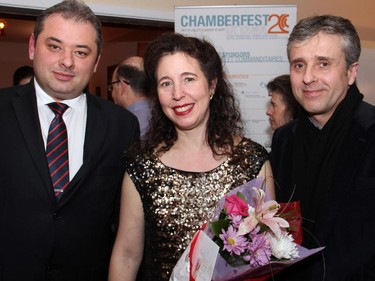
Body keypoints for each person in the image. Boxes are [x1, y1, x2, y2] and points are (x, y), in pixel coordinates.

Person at [108, 33, 275, 281]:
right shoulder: (141, 167)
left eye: (188, 79)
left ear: (212, 85)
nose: (177, 94)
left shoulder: (252, 162)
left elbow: (265, 255)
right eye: (166, 83)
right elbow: (127, 255)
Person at [0, 1, 139, 280]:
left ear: (96, 60)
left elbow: (123, 222)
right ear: (32, 47)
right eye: (55, 46)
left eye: (81, 51)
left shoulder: (121, 125)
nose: (67, 61)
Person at [270, 15, 375, 280]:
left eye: (323, 64)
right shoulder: (284, 140)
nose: (307, 78)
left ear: (351, 72)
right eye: (299, 65)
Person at [109, 56, 152, 138]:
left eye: (112, 87)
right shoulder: (163, 116)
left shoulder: (124, 125)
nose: (112, 94)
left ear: (123, 86)